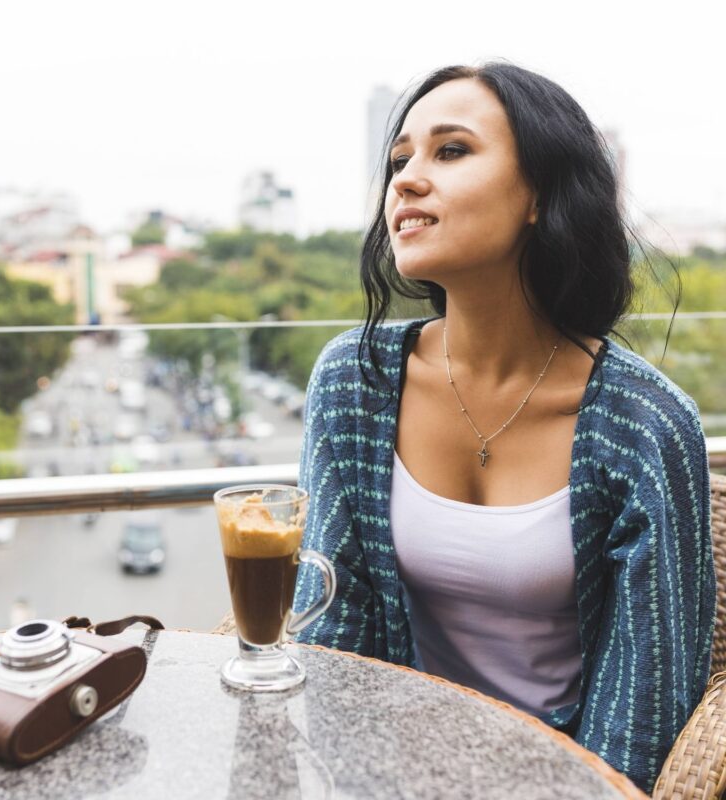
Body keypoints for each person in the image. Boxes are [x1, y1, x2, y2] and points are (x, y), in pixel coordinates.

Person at [292, 61, 714, 794]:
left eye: (450, 151)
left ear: (539, 197)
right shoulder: (352, 383)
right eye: (400, 160)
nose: (407, 180)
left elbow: (643, 716)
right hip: (385, 774)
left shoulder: (645, 426)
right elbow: (332, 635)